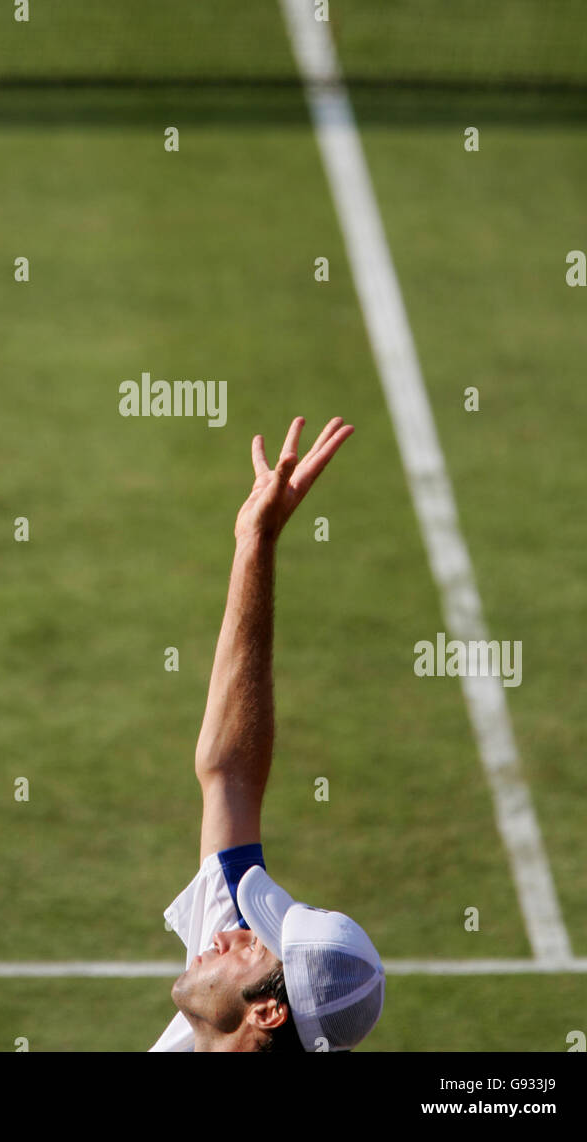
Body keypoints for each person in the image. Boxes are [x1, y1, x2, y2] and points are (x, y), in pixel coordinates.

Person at [150, 416, 385, 1053]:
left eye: (250, 943)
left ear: (269, 1014)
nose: (223, 936)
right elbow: (232, 772)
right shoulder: (228, 1007)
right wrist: (256, 542)